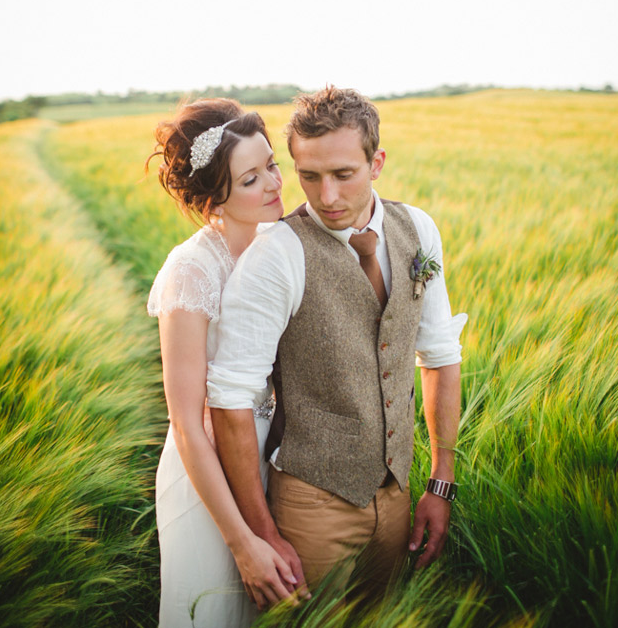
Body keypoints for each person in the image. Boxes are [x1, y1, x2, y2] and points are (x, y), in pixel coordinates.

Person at [208, 86, 467, 600]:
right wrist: (263, 534)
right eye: (309, 176)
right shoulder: (276, 255)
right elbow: (230, 397)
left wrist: (441, 482)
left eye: (343, 175)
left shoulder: (418, 230)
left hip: (398, 497)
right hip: (312, 506)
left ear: (377, 163)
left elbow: (438, 355)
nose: (326, 197)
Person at [146, 98, 305, 628]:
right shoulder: (190, 271)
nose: (274, 184)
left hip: (265, 462)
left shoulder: (277, 247)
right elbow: (187, 426)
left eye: (272, 165)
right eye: (250, 179)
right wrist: (241, 540)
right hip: (205, 480)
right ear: (215, 197)